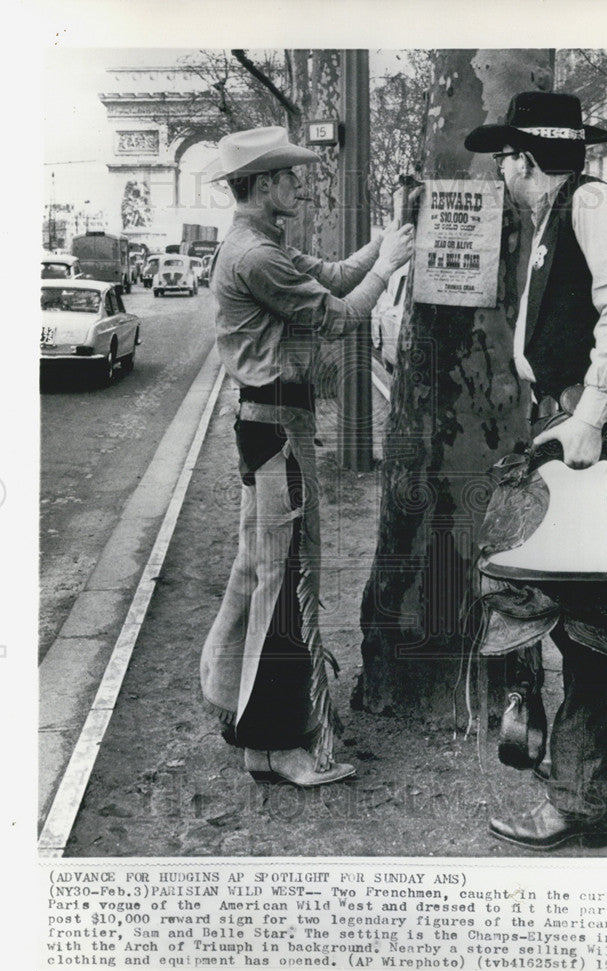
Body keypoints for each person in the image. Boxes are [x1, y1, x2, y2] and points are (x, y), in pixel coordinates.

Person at [464, 92, 607, 849]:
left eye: (504, 160)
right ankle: (586, 786)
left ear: (522, 159)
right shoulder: (560, 214)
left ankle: (580, 803)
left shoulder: (591, 204)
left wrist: (587, 415)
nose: (502, 172)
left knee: (595, 625)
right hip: (571, 426)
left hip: (595, 433)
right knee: (575, 617)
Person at [200, 126, 414, 788]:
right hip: (276, 429)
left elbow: (338, 275)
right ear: (264, 186)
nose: (300, 185)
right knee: (286, 582)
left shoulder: (261, 245)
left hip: (268, 425)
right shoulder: (255, 257)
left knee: (257, 573)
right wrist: (391, 264)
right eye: (289, 178)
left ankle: (230, 697)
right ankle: (273, 744)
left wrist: (385, 240)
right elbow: (344, 313)